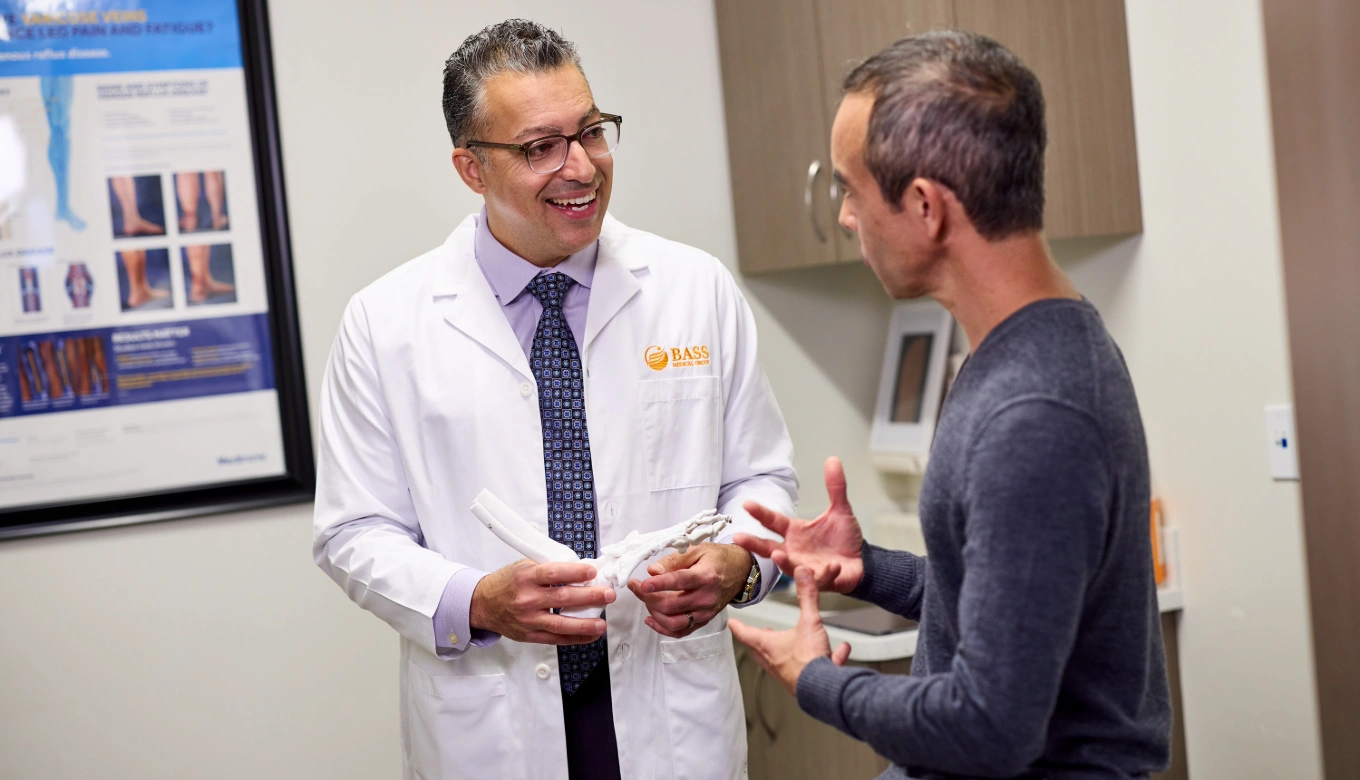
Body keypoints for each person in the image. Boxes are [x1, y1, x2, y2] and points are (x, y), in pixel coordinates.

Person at [313, 19, 796, 780]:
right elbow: (353, 531)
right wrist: (474, 600)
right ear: (471, 169)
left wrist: (737, 564)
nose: (582, 167)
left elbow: (762, 483)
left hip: (672, 717)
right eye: (541, 147)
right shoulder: (385, 324)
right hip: (489, 720)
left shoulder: (695, 290)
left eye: (592, 132)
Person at [729, 31, 1172, 780]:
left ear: (926, 207)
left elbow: (988, 727)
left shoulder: (1034, 413)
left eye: (851, 188)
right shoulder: (1034, 346)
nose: (844, 217)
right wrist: (866, 568)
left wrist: (819, 680)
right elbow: (1004, 609)